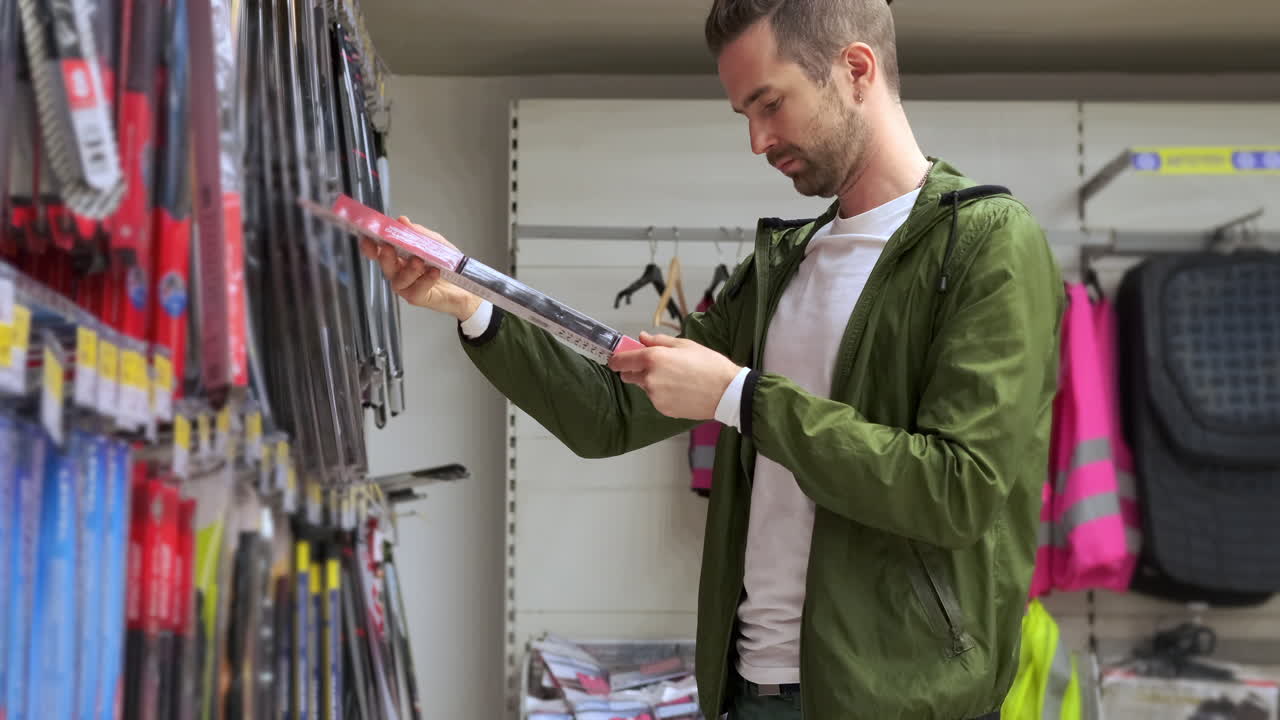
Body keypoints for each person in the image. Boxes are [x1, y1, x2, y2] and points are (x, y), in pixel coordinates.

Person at [360, 0, 1064, 717]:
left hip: (903, 700)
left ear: (855, 70)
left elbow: (958, 491)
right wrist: (470, 305)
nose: (758, 141)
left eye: (770, 104)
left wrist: (742, 397)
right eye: (744, 115)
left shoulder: (987, 244)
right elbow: (608, 413)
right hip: (750, 693)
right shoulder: (783, 267)